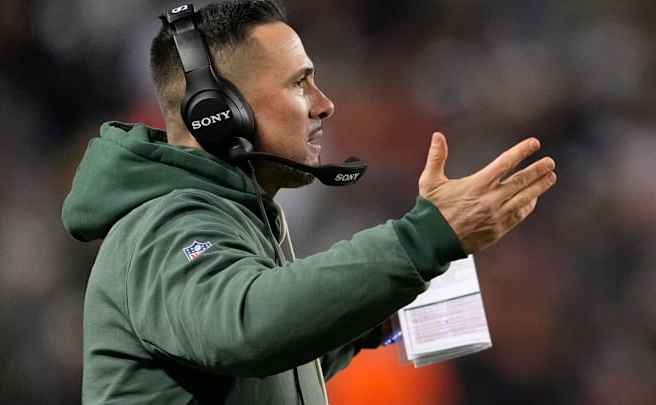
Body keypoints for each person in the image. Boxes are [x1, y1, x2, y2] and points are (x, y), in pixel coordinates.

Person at [61, 1, 557, 404]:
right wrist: (423, 237)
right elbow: (248, 327)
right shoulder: (167, 224)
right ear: (218, 113)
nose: (324, 103)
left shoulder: (235, 219)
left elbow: (275, 363)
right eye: (300, 83)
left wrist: (387, 310)